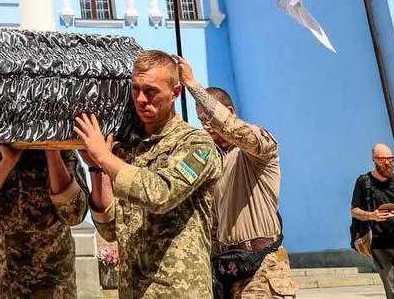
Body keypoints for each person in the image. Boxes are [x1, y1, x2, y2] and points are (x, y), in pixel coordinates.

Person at [75, 49, 222, 298]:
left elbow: (160, 194)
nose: (141, 99)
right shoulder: (127, 148)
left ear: (175, 93)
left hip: (177, 291)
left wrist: (103, 156)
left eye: (152, 91)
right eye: (135, 90)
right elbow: (110, 229)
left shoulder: (197, 145)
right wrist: (96, 169)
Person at [178, 56, 297, 299]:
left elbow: (235, 129)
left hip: (263, 268)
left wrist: (193, 85)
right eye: (201, 121)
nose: (206, 127)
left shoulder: (260, 151)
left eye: (208, 120)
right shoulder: (213, 164)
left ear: (228, 112)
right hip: (228, 269)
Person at [0, 141, 90, 298]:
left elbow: (74, 214)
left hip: (56, 290)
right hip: (6, 290)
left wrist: (52, 152)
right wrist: (7, 163)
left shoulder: (64, 154)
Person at [349, 144, 394, 299]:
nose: (388, 163)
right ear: (374, 160)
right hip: (380, 245)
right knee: (393, 294)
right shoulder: (364, 182)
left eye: (390, 159)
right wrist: (371, 215)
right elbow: (354, 211)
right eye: (383, 159)